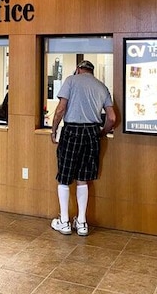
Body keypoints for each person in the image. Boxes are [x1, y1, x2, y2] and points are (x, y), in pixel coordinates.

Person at [50, 59, 116, 236]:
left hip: (71, 131)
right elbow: (112, 118)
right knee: (83, 178)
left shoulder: (71, 80)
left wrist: (54, 129)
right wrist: (101, 133)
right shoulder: (102, 86)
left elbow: (60, 110)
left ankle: (64, 221)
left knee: (64, 177)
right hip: (92, 133)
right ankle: (82, 222)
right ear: (91, 72)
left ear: (78, 69)